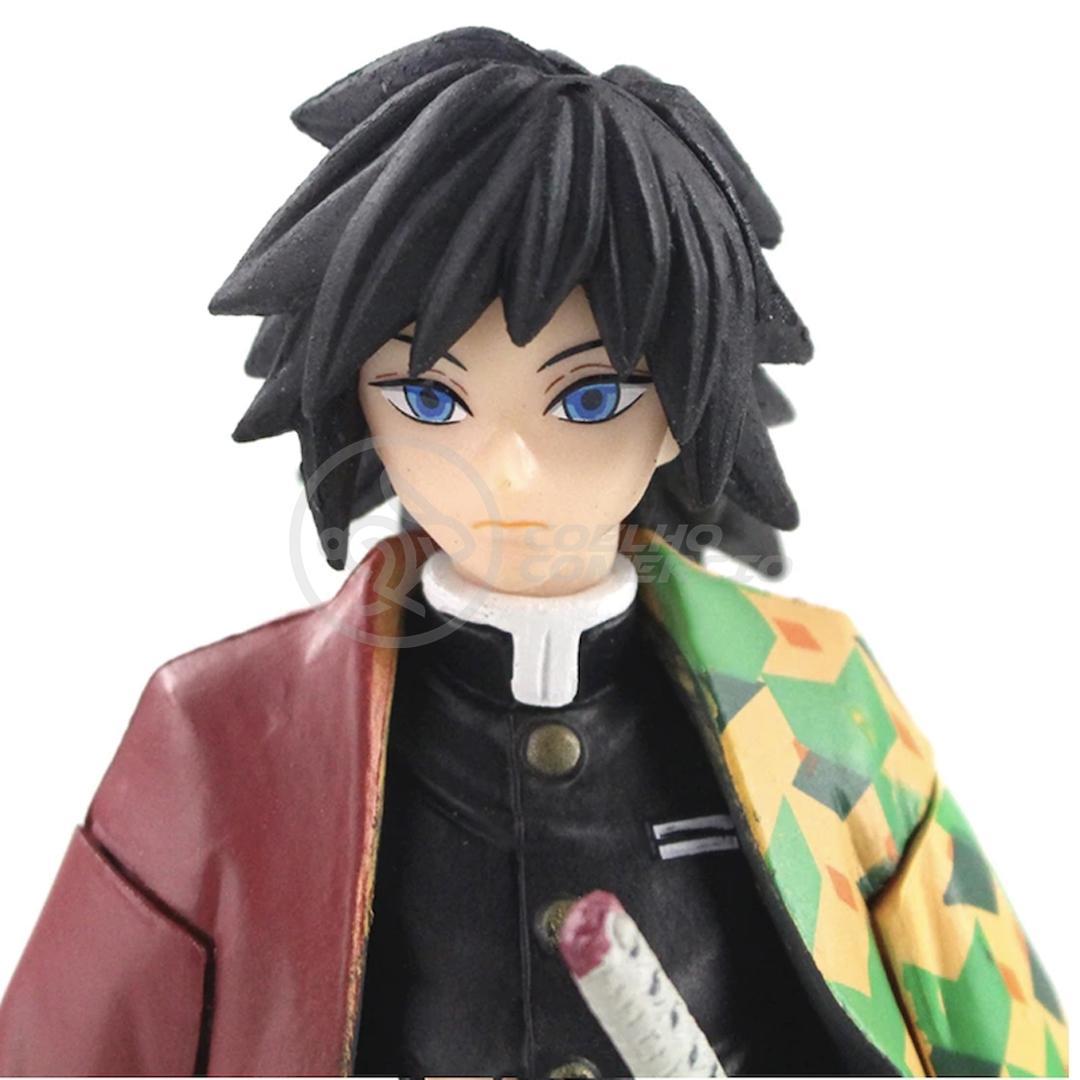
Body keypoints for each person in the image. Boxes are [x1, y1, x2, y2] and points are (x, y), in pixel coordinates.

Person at [0, 27, 1066, 1078]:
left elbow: (1002, 1040)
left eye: (589, 399)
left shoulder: (823, 704)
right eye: (429, 400)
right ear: (357, 404)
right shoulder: (221, 735)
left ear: (684, 409)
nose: (506, 471)